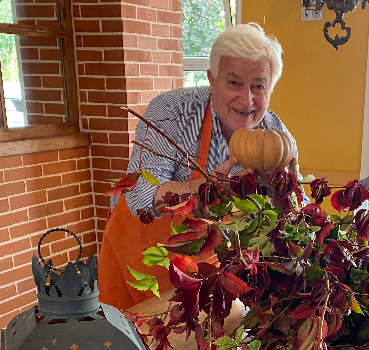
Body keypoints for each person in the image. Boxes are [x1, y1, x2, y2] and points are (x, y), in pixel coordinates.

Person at [99, 23, 298, 310]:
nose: (247, 99)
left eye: (258, 85)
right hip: (143, 265)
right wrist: (210, 187)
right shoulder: (170, 112)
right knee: (136, 346)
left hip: (212, 276)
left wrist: (278, 191)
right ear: (212, 79)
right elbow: (140, 197)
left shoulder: (276, 133)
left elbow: (291, 219)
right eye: (234, 83)